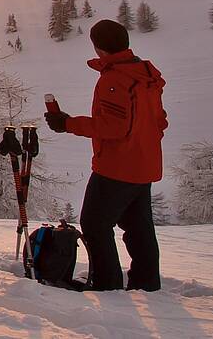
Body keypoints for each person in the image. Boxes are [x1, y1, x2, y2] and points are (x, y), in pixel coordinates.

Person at [44, 19, 167, 292]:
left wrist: (67, 123)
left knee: (95, 223)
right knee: (138, 227)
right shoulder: (145, 76)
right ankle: (147, 284)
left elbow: (114, 126)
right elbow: (160, 121)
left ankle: (107, 285)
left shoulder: (115, 79)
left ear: (98, 47)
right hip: (144, 163)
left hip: (117, 166)